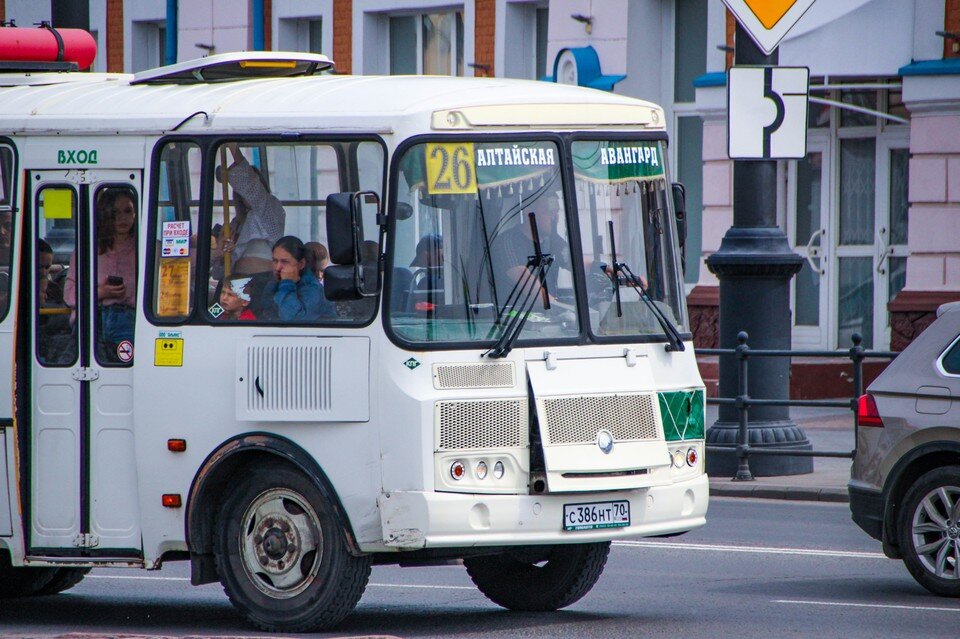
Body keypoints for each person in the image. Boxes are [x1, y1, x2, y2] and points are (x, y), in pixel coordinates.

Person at [65, 188, 138, 348]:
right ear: (104, 215)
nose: (122, 218)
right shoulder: (87, 249)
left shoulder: (144, 248)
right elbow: (70, 294)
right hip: (91, 320)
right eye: (114, 212)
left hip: (130, 321)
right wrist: (101, 292)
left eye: (127, 211)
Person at [212, 143, 286, 276]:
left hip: (263, 279)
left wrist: (234, 150)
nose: (246, 193)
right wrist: (222, 252)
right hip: (237, 281)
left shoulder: (270, 209)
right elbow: (219, 271)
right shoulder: (235, 223)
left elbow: (252, 189)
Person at [493, 191, 569, 303]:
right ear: (529, 213)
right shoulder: (508, 241)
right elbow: (526, 282)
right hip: (516, 317)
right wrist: (563, 308)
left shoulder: (554, 240)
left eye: (556, 212)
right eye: (548, 212)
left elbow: (577, 263)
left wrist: (602, 270)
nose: (554, 218)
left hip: (549, 315)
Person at [261, 236, 334, 321]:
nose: (278, 267)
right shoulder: (275, 281)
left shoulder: (313, 289)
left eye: (285, 262)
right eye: (275, 261)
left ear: (301, 264)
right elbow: (266, 308)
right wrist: (276, 283)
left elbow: (293, 320)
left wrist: (286, 284)